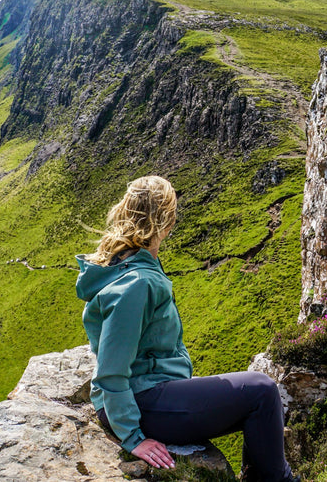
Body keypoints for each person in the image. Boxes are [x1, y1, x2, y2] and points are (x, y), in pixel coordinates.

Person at [76, 175, 296, 482]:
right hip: (142, 404)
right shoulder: (139, 283)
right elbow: (111, 372)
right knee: (262, 392)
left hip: (148, 393)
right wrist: (134, 438)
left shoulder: (125, 261)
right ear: (166, 224)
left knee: (253, 395)